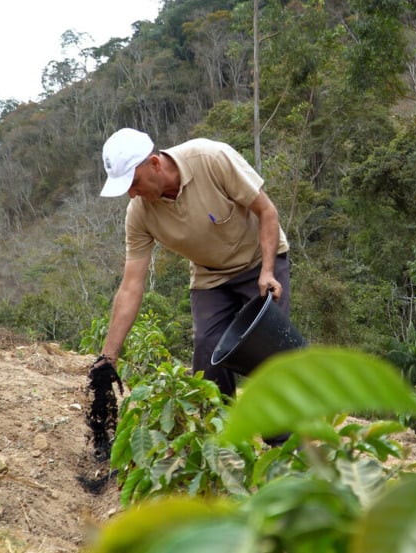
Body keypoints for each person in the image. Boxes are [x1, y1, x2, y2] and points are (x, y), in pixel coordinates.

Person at [88, 128, 291, 399]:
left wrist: (267, 271)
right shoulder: (139, 214)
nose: (132, 194)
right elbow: (131, 285)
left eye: (134, 183)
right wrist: (108, 356)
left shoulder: (210, 158)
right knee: (207, 350)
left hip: (259, 259)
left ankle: (284, 439)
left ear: (155, 164)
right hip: (210, 276)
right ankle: (217, 432)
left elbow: (267, 211)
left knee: (270, 351)